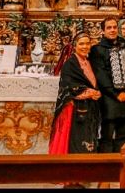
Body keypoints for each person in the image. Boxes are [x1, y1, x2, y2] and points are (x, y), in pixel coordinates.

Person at [89, 17, 125, 162]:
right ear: (103, 31)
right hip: (109, 100)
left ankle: (122, 169)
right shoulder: (97, 50)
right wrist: (117, 94)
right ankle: (106, 170)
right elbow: (101, 75)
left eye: (114, 27)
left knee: (124, 138)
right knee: (107, 137)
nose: (112, 30)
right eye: (109, 28)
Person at [49, 32, 101, 160]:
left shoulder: (88, 61)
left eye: (87, 43)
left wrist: (96, 91)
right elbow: (68, 86)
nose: (85, 46)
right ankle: (72, 169)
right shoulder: (70, 63)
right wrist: (90, 93)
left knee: (87, 138)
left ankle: (84, 167)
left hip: (88, 107)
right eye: (81, 44)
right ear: (75, 46)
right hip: (74, 109)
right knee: (75, 140)